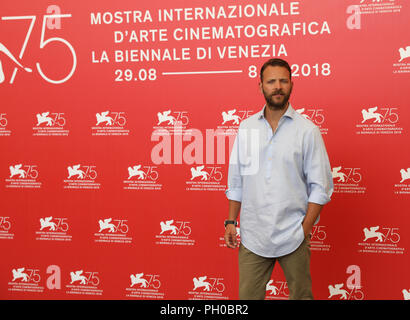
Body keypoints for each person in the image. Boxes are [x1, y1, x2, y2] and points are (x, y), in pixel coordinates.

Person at [224, 58, 333, 300]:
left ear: (291, 84)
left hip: (293, 235)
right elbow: (237, 180)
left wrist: (303, 230)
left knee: (302, 297)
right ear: (260, 85)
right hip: (253, 236)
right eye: (271, 81)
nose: (277, 87)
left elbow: (320, 187)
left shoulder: (307, 130)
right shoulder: (247, 128)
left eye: (283, 81)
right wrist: (230, 221)